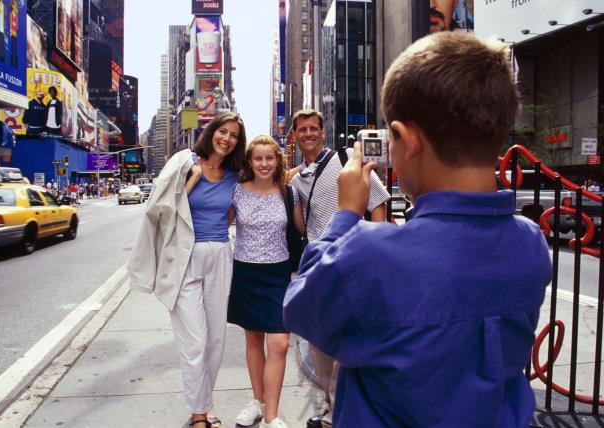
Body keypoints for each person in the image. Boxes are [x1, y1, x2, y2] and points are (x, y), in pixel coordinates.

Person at [283, 32, 553, 427]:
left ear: (407, 140)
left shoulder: (367, 254)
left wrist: (345, 216)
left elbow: (301, 309)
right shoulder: (530, 244)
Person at [127, 112, 247, 428]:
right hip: (184, 258)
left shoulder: (235, 175)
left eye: (234, 135)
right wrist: (192, 178)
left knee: (215, 342)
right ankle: (198, 416)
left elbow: (231, 216)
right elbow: (158, 207)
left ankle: (204, 408)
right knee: (195, 342)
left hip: (220, 256)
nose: (227, 139)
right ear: (212, 132)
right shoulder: (184, 161)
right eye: (223, 131)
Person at [288, 109, 390, 428]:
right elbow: (304, 224)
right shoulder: (297, 179)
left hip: (355, 260)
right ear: (294, 136)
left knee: (349, 343)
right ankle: (335, 406)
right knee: (321, 344)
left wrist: (376, 250)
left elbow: (378, 205)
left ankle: (340, 415)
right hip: (321, 263)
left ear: (322, 132)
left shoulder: (347, 159)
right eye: (302, 129)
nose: (308, 134)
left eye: (313, 128)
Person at [227, 136, 304, 428]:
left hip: (277, 274)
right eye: (258, 159)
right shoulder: (237, 191)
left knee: (280, 343)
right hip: (245, 271)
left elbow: (302, 230)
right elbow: (222, 226)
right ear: (250, 162)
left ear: (278, 160)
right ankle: (258, 403)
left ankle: (272, 416)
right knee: (253, 340)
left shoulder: (289, 193)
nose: (264, 164)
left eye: (269, 158)